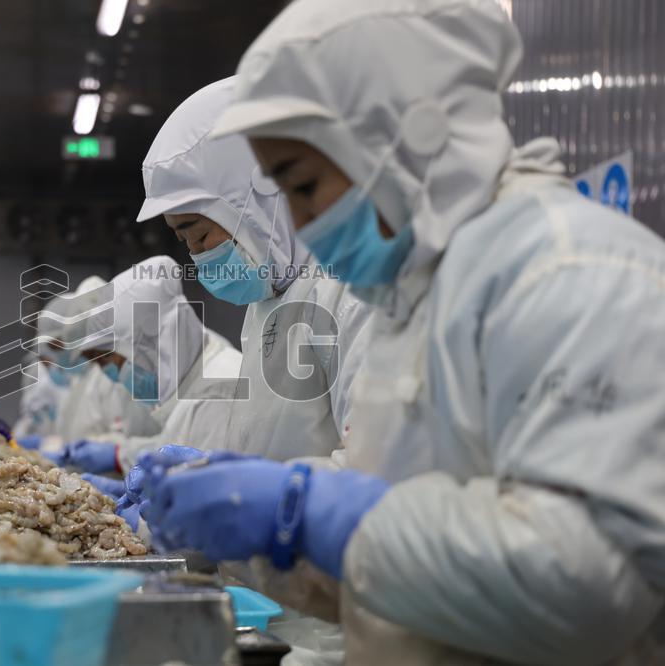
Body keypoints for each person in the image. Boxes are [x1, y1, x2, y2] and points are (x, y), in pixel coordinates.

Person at [139, 0, 665, 663]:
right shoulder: (411, 296)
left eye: (304, 185)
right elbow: (394, 581)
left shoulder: (572, 273)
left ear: (403, 137)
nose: (300, 226)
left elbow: (590, 582)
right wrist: (275, 536)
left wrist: (313, 514)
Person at [133, 77, 371, 467]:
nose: (197, 255)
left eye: (199, 234)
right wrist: (215, 472)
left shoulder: (351, 288)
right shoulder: (267, 304)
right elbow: (270, 447)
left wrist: (271, 495)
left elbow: (375, 470)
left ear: (254, 201)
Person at [48, 255, 242, 475]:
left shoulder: (218, 388)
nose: (108, 372)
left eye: (107, 359)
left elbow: (210, 486)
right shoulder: (182, 388)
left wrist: (119, 457)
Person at [32, 275, 160, 450]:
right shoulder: (89, 379)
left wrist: (112, 453)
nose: (97, 362)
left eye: (101, 355)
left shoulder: (128, 376)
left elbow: (157, 440)